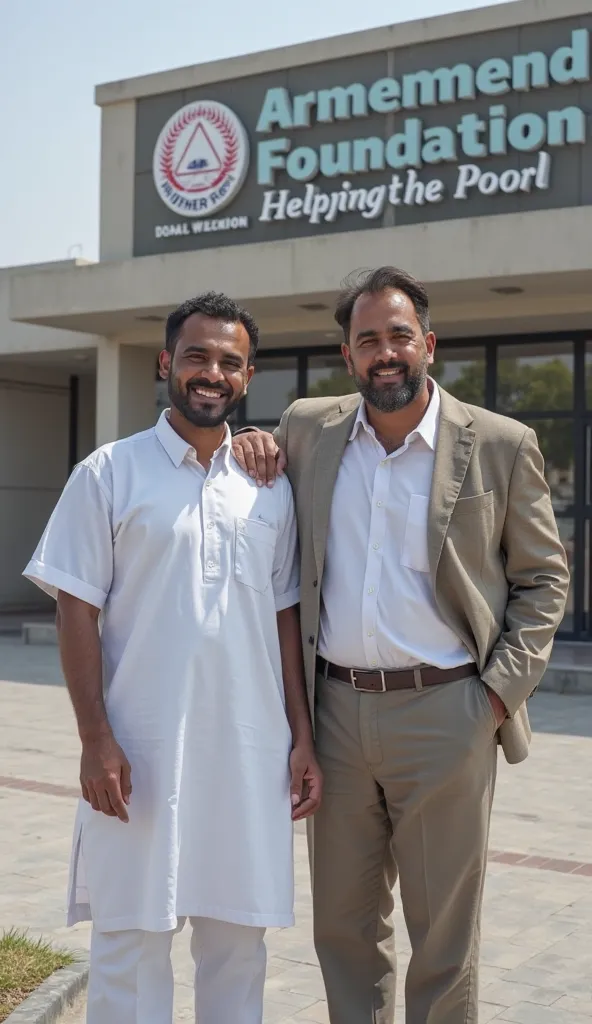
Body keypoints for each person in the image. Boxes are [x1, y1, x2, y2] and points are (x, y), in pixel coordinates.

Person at [232, 267, 570, 1024]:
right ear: (347, 356)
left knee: (444, 935)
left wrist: (493, 697)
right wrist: (251, 440)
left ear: (429, 344)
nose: (385, 353)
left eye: (399, 336)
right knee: (343, 928)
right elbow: (256, 474)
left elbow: (545, 582)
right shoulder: (307, 429)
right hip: (337, 718)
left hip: (449, 713)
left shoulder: (501, 444)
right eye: (368, 340)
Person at [23, 292, 322, 1024]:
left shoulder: (271, 489)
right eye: (196, 356)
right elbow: (74, 606)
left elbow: (285, 617)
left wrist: (302, 736)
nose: (210, 373)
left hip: (249, 756)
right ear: (166, 364)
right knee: (129, 947)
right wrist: (95, 740)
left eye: (229, 361)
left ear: (248, 377)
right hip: (140, 757)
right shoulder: (108, 473)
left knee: (237, 950)